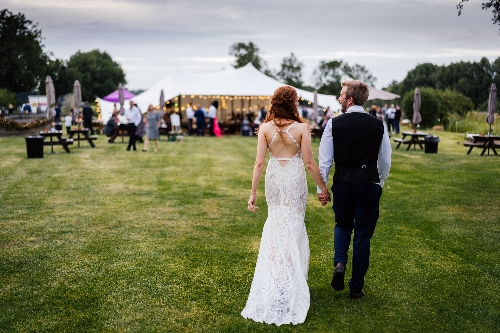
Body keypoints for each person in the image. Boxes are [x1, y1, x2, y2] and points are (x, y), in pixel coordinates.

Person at [241, 86, 330, 326]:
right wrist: (323, 188)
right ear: (293, 103)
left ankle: (277, 278)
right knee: (293, 224)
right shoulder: (301, 128)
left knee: (277, 222)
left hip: (274, 178)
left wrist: (252, 193)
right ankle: (289, 279)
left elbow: (259, 163)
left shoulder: (265, 128)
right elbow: (310, 163)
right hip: (293, 177)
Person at [317, 80, 391, 299]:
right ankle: (356, 286)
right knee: (362, 236)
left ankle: (340, 263)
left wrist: (321, 189)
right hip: (368, 184)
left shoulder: (333, 124)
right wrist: (380, 181)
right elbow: (385, 160)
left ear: (350, 99)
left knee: (342, 225)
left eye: (341, 95)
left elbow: (325, 161)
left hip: (343, 184)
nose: (339, 98)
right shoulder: (379, 124)